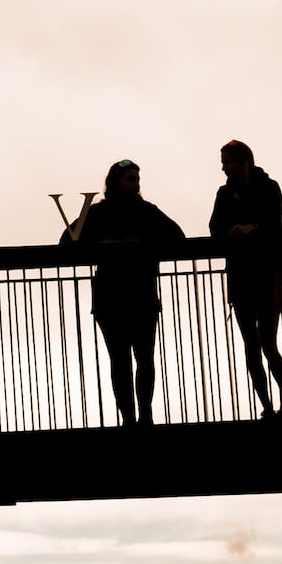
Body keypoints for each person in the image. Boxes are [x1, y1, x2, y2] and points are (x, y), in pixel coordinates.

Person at [64, 160, 183, 427]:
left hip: (127, 297)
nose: (136, 183)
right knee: (126, 360)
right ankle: (134, 416)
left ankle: (140, 415)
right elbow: (66, 242)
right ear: (115, 182)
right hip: (120, 298)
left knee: (138, 359)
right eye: (130, 178)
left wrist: (125, 245)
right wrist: (110, 245)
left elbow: (178, 237)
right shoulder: (128, 212)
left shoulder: (127, 212)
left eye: (136, 178)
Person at [212, 139, 282, 419]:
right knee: (253, 344)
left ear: (244, 161)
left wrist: (252, 229)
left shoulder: (268, 188)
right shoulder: (225, 194)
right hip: (242, 273)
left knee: (267, 344)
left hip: (264, 271)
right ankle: (269, 406)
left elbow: (276, 226)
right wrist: (231, 231)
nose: (224, 168)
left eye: (228, 162)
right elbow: (214, 228)